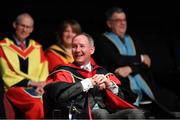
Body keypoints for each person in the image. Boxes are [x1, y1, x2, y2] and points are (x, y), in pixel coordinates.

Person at [93, 6, 179, 118]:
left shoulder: (133, 39)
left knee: (170, 97)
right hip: (122, 84)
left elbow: (147, 64)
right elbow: (116, 59)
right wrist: (140, 58)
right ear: (109, 23)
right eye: (118, 20)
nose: (122, 23)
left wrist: (130, 68)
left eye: (124, 20)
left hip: (144, 82)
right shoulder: (102, 40)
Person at [44, 33, 145, 119]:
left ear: (91, 50)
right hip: (80, 115)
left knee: (136, 113)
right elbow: (60, 96)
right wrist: (88, 82)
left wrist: (109, 85)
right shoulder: (64, 71)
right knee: (101, 113)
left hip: (108, 113)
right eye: (74, 46)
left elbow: (124, 98)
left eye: (82, 46)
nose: (77, 50)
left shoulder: (101, 71)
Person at [0, 13, 49, 119]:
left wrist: (41, 84)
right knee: (37, 103)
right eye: (22, 26)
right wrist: (31, 82)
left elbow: (43, 70)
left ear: (32, 29)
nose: (24, 30)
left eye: (28, 27)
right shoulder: (3, 46)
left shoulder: (36, 47)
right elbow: (6, 73)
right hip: (14, 88)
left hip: (37, 88)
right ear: (15, 25)